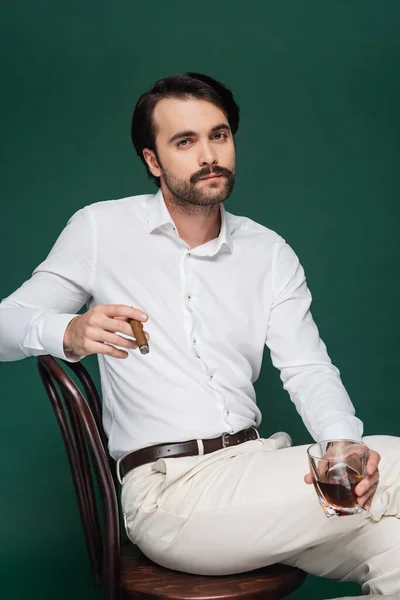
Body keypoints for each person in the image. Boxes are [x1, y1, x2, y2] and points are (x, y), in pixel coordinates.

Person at [0, 73, 399, 595]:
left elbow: (307, 368)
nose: (208, 154)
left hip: (259, 472)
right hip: (173, 496)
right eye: (184, 142)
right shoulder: (101, 230)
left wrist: (342, 446)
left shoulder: (268, 251)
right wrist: (69, 331)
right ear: (152, 160)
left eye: (219, 135)